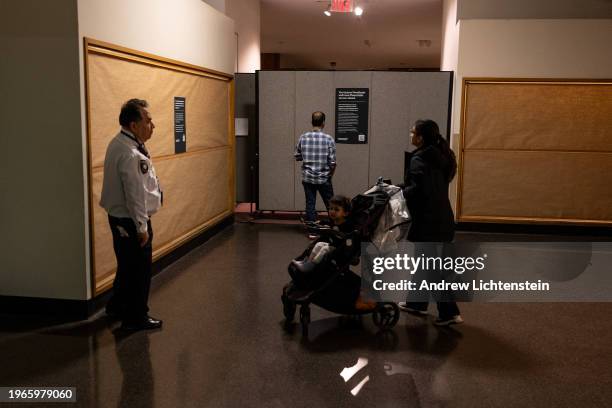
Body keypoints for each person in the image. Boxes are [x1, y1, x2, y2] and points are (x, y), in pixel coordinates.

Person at [100, 99, 163, 330]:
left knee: (126, 264)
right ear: (134, 125)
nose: (152, 125)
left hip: (120, 218)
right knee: (139, 270)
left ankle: (117, 304)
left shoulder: (121, 143)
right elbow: (134, 194)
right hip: (131, 219)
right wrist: (142, 227)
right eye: (148, 121)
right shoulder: (130, 153)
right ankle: (136, 316)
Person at [398, 119, 463, 326]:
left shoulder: (419, 159)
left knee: (430, 268)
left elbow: (418, 190)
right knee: (424, 264)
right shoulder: (443, 156)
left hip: (427, 221)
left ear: (421, 137)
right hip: (443, 218)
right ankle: (416, 303)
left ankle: (449, 312)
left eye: (413, 132)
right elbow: (430, 184)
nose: (410, 135)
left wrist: (399, 193)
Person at [295, 195, 375, 310]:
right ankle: (308, 262)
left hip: (341, 251)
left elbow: (352, 236)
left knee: (324, 249)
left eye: (336, 210)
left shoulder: (348, 225)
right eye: (330, 208)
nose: (332, 212)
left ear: (345, 213)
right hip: (333, 246)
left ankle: (311, 265)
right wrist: (320, 223)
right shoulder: (333, 222)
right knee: (319, 245)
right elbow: (328, 223)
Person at [295, 111, 336, 237]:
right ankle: (334, 228)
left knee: (310, 203)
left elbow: (297, 156)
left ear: (312, 122)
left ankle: (312, 231)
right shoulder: (329, 139)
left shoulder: (303, 137)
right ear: (323, 123)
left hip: (308, 177)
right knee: (331, 204)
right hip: (324, 178)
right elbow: (333, 162)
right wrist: (329, 175)